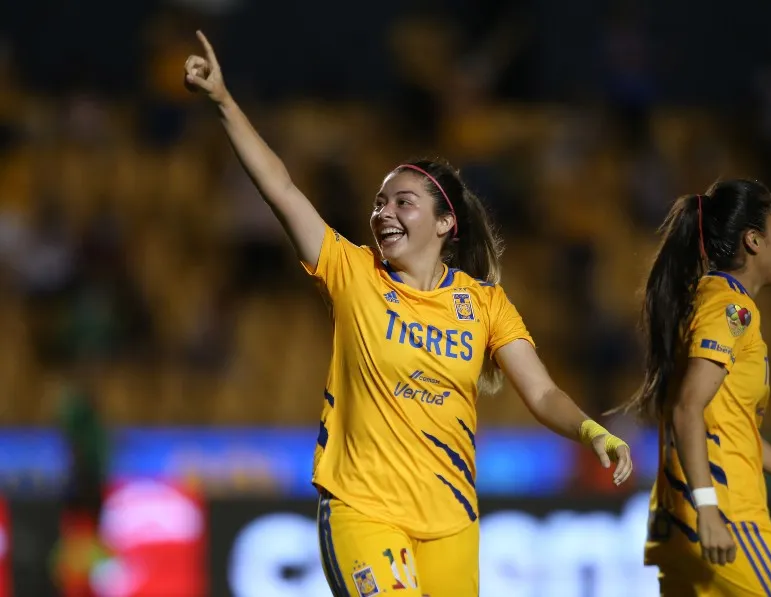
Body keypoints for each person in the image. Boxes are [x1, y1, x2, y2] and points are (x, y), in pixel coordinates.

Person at [183, 31, 633, 597]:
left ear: (446, 224)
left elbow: (541, 395)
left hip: (450, 522)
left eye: (402, 202)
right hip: (363, 511)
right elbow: (280, 186)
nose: (383, 211)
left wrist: (591, 430)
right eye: (379, 201)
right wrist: (224, 102)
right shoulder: (352, 273)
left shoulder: (484, 303)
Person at [618, 179, 771, 596]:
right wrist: (709, 509)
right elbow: (687, 408)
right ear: (753, 240)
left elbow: (726, 424)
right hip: (725, 517)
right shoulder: (732, 308)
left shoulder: (702, 300)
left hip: (677, 524)